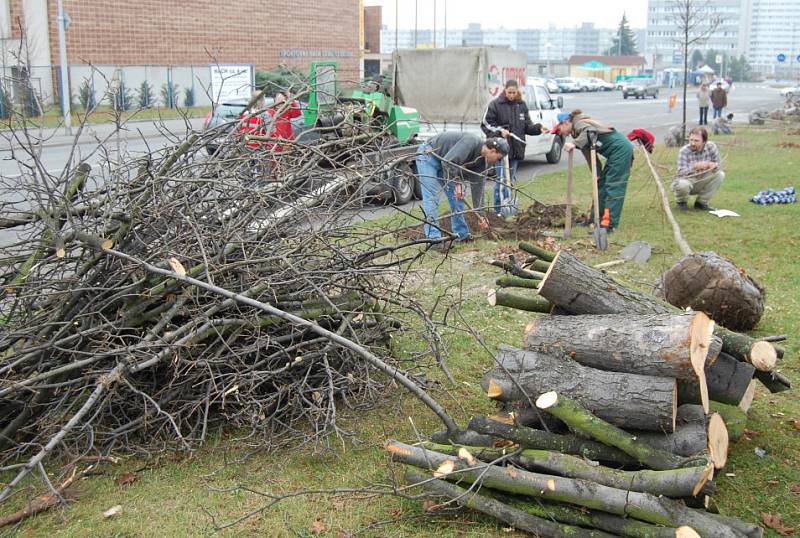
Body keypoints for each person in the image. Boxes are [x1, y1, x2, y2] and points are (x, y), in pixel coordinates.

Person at [415, 133, 508, 251]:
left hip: (443, 162)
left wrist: (482, 216)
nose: (497, 162)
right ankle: (433, 241)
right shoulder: (471, 140)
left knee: (457, 198)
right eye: (499, 158)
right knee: (432, 197)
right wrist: (457, 184)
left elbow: (478, 190)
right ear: (493, 151)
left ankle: (461, 235)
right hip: (428, 154)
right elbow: (449, 162)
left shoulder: (481, 163)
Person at [558, 109, 633, 231]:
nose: (560, 134)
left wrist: (574, 143)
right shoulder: (577, 133)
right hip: (614, 154)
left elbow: (590, 131)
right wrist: (597, 173)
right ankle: (593, 219)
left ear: (566, 122)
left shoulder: (579, 124)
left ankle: (609, 225)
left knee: (613, 187)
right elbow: (589, 154)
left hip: (621, 150)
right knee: (601, 186)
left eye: (559, 130)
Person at [481, 79, 543, 216]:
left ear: (517, 91)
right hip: (500, 150)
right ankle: (498, 211)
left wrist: (539, 129)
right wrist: (499, 131)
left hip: (516, 150)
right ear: (505, 90)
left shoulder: (521, 105)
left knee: (510, 180)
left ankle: (508, 210)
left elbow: (527, 126)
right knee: (501, 181)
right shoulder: (495, 104)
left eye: (514, 92)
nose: (511, 95)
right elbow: (485, 124)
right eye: (509, 92)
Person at [673, 126, 724, 211]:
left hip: (703, 179)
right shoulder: (684, 151)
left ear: (704, 141)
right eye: (691, 140)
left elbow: (719, 165)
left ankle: (701, 203)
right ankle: (681, 203)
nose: (692, 143)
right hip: (688, 180)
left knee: (720, 174)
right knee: (682, 184)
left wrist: (713, 165)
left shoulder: (711, 147)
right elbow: (680, 172)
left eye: (696, 141)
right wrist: (694, 167)